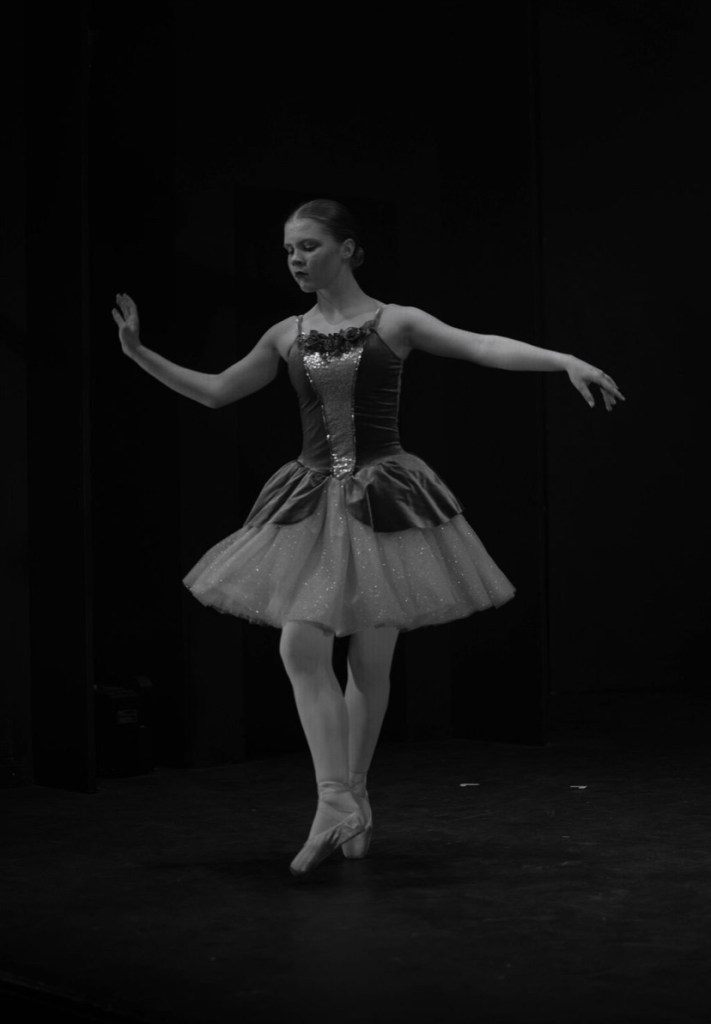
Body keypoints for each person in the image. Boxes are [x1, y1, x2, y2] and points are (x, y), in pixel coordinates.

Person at [112, 198, 625, 878]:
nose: (295, 259)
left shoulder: (396, 321)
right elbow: (215, 391)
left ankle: (352, 798)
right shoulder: (285, 333)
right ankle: (335, 801)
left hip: (384, 497)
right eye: (288, 249)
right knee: (301, 644)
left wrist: (564, 359)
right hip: (311, 498)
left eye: (308, 245)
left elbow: (479, 345)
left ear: (348, 249)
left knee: (369, 662)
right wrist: (139, 353)